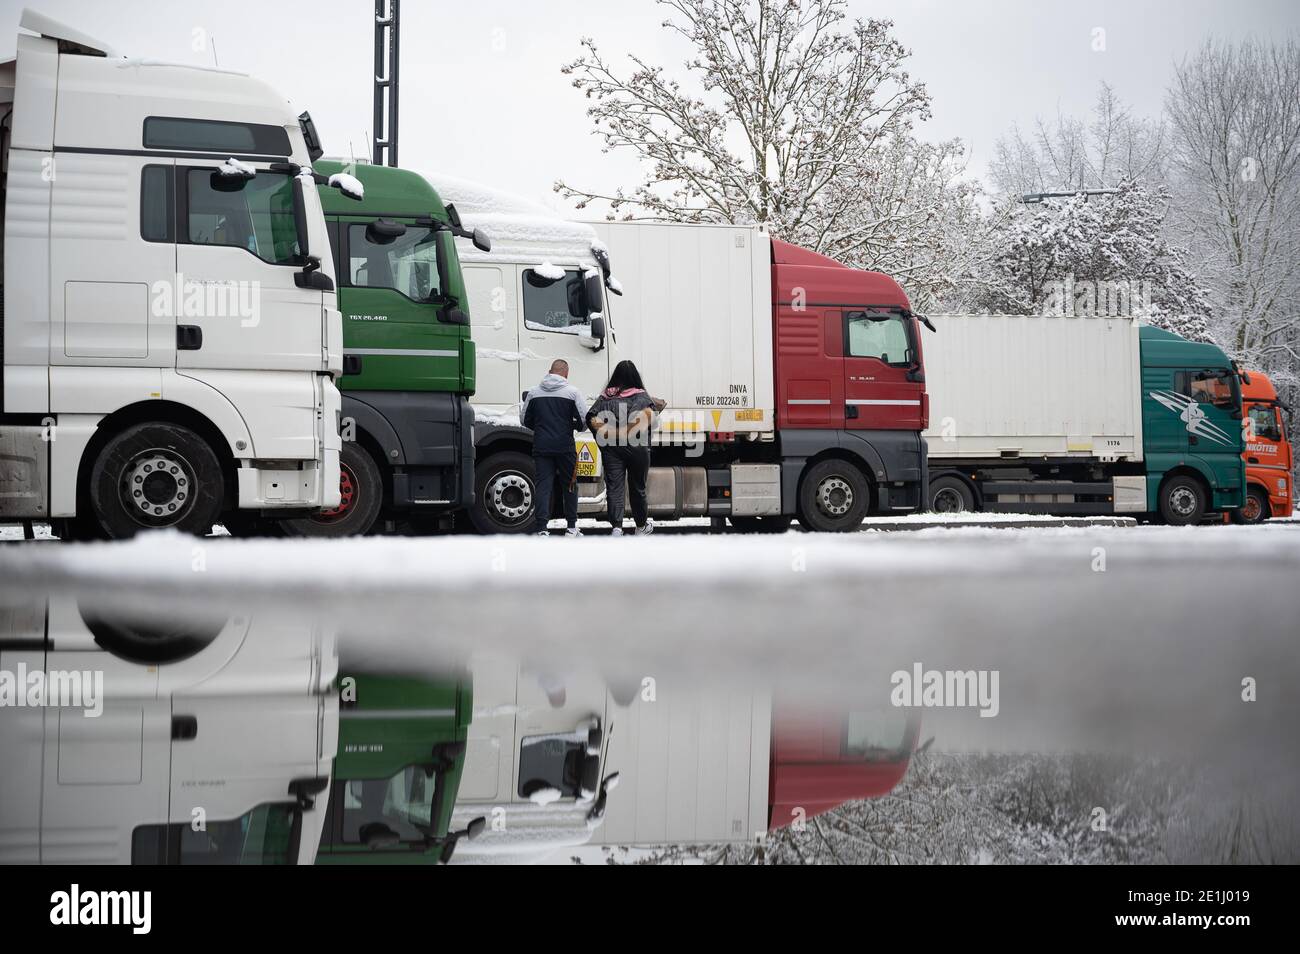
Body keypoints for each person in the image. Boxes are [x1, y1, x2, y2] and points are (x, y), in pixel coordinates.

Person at [586, 360, 658, 536]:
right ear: (635, 377)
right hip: (637, 448)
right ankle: (641, 526)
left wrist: (607, 432)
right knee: (638, 487)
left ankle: (617, 527)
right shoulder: (642, 396)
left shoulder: (605, 396)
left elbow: (591, 418)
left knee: (614, 487)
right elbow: (647, 418)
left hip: (612, 449)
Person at [523, 359, 588, 536]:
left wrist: (541, 427)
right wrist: (573, 426)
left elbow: (524, 420)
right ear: (566, 374)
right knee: (570, 485)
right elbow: (584, 421)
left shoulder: (534, 393)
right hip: (565, 447)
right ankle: (572, 527)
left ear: (549, 371)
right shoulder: (572, 393)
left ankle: (542, 529)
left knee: (543, 486)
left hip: (541, 446)